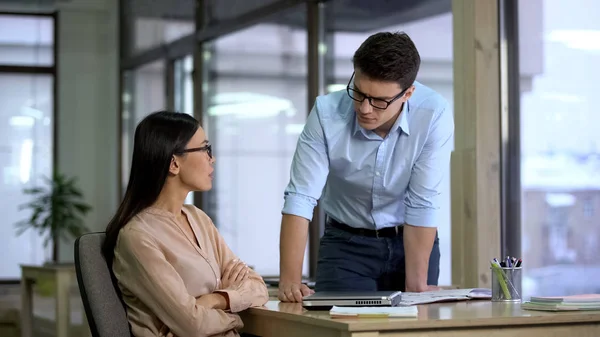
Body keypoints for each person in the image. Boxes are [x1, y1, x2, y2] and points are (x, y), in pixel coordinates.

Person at [278, 31, 454, 302]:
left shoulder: (433, 114)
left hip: (411, 241)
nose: (365, 108)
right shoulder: (326, 113)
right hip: (346, 246)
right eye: (358, 93)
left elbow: (423, 201)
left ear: (408, 93)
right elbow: (301, 197)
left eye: (380, 101)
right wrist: (289, 280)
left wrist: (417, 285)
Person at [103, 111, 268, 337]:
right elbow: (194, 326)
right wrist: (233, 309)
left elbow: (257, 286)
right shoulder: (137, 237)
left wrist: (216, 299)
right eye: (205, 149)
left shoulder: (199, 218)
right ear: (174, 163)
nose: (213, 158)